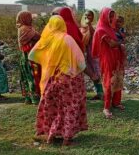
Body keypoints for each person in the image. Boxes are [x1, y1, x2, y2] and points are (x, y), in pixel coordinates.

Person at [29, 15, 96, 146]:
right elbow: (81, 63)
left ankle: (52, 134)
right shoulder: (67, 39)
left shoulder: (46, 40)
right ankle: (67, 138)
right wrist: (90, 74)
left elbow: (32, 55)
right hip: (70, 79)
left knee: (54, 106)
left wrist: (48, 62)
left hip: (52, 78)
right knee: (70, 107)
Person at [92, 7, 125, 119]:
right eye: (109, 16)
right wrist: (121, 42)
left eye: (113, 15)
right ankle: (106, 107)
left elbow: (119, 40)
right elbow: (111, 44)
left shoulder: (111, 28)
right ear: (104, 16)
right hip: (107, 58)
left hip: (117, 57)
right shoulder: (101, 29)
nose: (112, 18)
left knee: (118, 78)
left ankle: (116, 102)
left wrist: (119, 42)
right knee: (108, 81)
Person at [16, 11, 41, 105]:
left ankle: (28, 98)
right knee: (32, 76)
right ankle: (35, 99)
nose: (31, 19)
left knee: (28, 77)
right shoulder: (25, 29)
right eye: (29, 17)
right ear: (24, 18)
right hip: (30, 57)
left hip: (27, 57)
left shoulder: (24, 28)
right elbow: (38, 37)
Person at [80, 10, 104, 100]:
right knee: (92, 73)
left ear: (93, 17)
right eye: (86, 15)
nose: (87, 17)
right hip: (87, 54)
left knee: (97, 72)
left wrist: (89, 25)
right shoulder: (82, 28)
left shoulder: (95, 27)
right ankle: (99, 92)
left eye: (90, 15)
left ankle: (101, 92)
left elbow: (95, 35)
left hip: (95, 53)